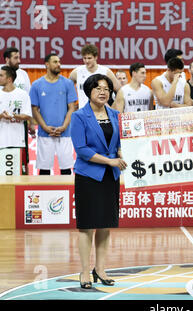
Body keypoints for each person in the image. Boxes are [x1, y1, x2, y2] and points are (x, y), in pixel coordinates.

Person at [71, 73, 127, 289]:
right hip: (88, 176)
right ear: (88, 92)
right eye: (98, 88)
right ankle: (85, 272)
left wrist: (121, 153)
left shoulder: (115, 114)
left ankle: (100, 269)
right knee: (87, 227)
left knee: (105, 226)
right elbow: (82, 150)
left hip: (110, 178)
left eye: (107, 88)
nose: (104, 92)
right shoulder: (79, 116)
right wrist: (110, 161)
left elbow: (119, 143)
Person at [30, 53, 77, 175]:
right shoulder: (36, 85)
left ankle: (68, 194)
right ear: (47, 64)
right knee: (44, 170)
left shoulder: (68, 84)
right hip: (45, 134)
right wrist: (45, 127)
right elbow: (34, 109)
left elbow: (72, 108)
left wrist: (64, 127)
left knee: (66, 170)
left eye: (59, 62)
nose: (59, 64)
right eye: (55, 62)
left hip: (65, 133)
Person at [0, 66, 32, 175]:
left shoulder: (22, 95)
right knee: (3, 175)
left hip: (18, 141)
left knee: (19, 174)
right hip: (2, 142)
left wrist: (15, 116)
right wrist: (1, 116)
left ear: (9, 79)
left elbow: (28, 115)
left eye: (1, 75)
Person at [69, 44, 120, 109]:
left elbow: (120, 91)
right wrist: (72, 106)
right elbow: (67, 89)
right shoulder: (76, 72)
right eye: (84, 58)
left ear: (96, 57)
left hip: (101, 113)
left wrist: (113, 108)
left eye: (89, 58)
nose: (87, 61)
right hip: (83, 112)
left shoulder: (105, 72)